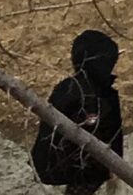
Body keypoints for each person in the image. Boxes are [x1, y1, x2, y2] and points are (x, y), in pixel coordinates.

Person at [31, 30, 122, 193]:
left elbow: (113, 134)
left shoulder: (72, 88)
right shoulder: (81, 95)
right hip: (67, 168)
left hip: (70, 165)